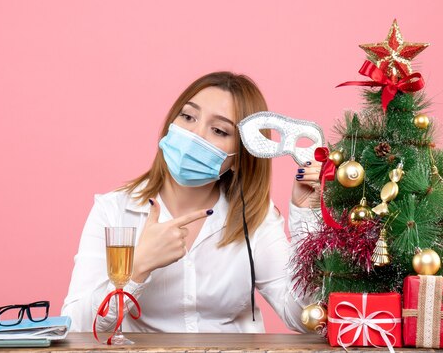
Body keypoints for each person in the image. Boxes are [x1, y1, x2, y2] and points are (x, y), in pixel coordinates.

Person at [62, 71, 323, 333]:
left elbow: (303, 316)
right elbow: (77, 326)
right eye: (187, 116)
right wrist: (137, 266)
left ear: (241, 155)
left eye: (219, 130)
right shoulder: (113, 210)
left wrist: (306, 216)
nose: (195, 135)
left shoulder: (256, 217)